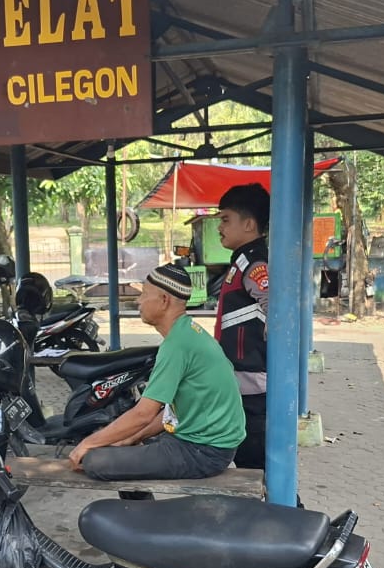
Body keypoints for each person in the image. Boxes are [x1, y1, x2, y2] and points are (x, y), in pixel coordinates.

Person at [69, 264, 245, 480]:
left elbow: (143, 414)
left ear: (164, 300)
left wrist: (87, 443)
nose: (138, 301)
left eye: (144, 294)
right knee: (117, 445)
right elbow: (171, 412)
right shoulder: (187, 333)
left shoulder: (177, 346)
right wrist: (131, 438)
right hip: (202, 443)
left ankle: (139, 502)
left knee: (94, 461)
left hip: (204, 452)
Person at [213, 183, 271, 469]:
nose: (219, 227)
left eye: (226, 219)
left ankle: (283, 501)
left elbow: (273, 305)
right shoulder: (242, 259)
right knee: (248, 460)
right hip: (241, 379)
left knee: (255, 463)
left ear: (248, 224)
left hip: (252, 382)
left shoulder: (255, 263)